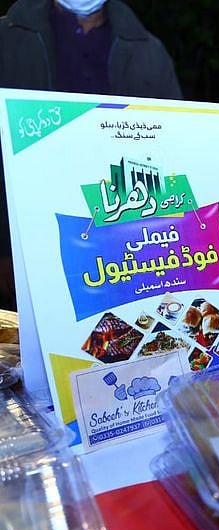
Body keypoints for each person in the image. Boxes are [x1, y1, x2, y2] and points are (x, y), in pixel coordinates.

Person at [0, 0, 183, 309]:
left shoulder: (149, 51)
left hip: (121, 253)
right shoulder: (9, 39)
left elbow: (173, 153)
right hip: (29, 247)